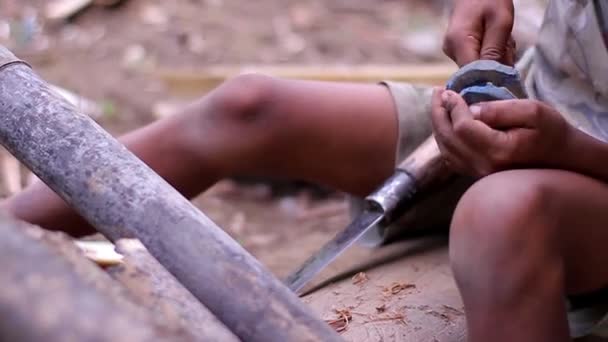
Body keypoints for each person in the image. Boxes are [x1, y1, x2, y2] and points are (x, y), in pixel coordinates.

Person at [3, 0, 608, 340]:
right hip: (533, 103)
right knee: (250, 108)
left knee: (500, 215)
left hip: (579, 164)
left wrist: (568, 152)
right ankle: (8, 251)